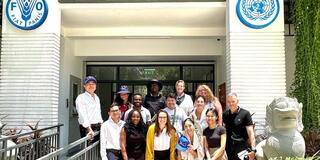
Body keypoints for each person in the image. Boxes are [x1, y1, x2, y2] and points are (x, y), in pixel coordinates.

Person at [223, 93, 256, 160]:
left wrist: (253, 150)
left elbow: (251, 133)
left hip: (242, 148)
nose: (231, 104)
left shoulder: (245, 114)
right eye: (229, 102)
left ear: (237, 101)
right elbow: (224, 131)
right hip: (229, 148)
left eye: (233, 101)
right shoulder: (225, 114)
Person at [76, 76, 103, 141]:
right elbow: (82, 114)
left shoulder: (96, 97)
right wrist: (89, 129)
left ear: (95, 86)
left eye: (93, 84)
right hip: (87, 128)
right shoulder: (81, 98)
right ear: (84, 86)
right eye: (88, 84)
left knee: (97, 148)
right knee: (88, 149)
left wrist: (101, 124)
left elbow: (98, 112)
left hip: (98, 126)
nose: (91, 86)